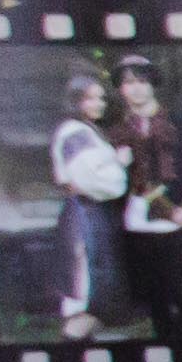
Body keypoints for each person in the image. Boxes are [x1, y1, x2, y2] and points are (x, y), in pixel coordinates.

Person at [106, 59, 182, 339]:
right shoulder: (114, 132)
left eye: (142, 81)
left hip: (176, 222)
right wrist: (116, 165)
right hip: (137, 225)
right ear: (120, 89)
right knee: (156, 300)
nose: (136, 89)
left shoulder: (179, 124)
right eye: (128, 83)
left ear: (152, 85)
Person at [41, 67, 122, 334]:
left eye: (101, 98)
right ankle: (75, 341)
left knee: (91, 277)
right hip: (84, 211)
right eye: (90, 98)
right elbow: (94, 181)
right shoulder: (75, 132)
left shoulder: (88, 130)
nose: (99, 104)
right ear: (76, 101)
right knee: (81, 279)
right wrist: (119, 165)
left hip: (91, 210)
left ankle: (86, 336)